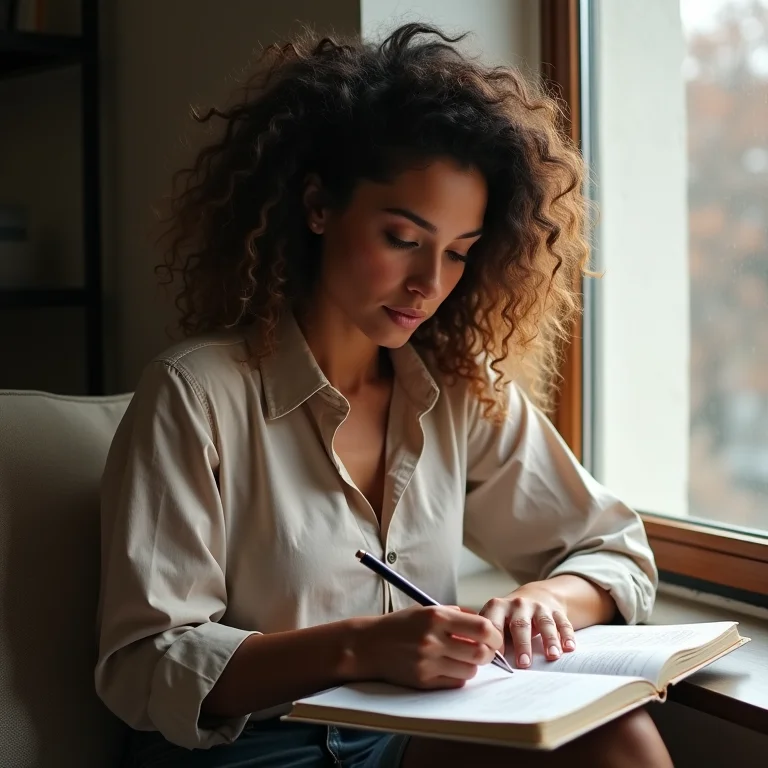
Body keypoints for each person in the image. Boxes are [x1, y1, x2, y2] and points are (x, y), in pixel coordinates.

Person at [95, 23, 672, 768]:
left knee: (617, 734)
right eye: (403, 238)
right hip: (251, 748)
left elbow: (612, 548)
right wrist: (361, 647)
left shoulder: (461, 392)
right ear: (318, 206)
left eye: (458, 253)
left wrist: (546, 603)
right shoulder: (195, 394)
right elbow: (146, 663)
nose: (430, 283)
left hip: (407, 733)